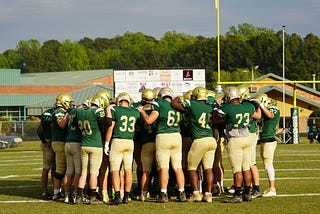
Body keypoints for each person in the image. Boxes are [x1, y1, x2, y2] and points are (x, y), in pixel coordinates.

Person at [137, 87, 187, 203]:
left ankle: (163, 193)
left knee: (164, 167)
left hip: (164, 136)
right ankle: (182, 192)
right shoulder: (177, 106)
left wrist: (142, 111)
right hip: (177, 136)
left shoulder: (159, 104)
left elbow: (149, 120)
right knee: (178, 167)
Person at [213, 86, 261, 203]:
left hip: (235, 139)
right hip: (247, 137)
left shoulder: (227, 107)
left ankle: (238, 194)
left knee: (237, 169)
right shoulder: (248, 106)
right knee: (246, 167)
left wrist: (216, 109)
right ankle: (247, 193)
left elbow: (215, 119)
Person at [172, 87, 217, 203]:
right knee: (208, 168)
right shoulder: (209, 107)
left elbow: (175, 104)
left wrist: (177, 98)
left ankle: (196, 193)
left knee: (192, 168)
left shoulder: (192, 103)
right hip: (211, 139)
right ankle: (208, 194)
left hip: (199, 139)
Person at [105, 92, 140, 205]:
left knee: (115, 170)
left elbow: (110, 127)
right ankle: (126, 196)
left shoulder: (116, 109)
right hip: (130, 142)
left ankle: (117, 196)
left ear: (119, 101)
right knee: (128, 170)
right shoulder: (134, 112)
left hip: (118, 141)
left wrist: (106, 143)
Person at [75, 96, 108, 205]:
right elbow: (105, 124)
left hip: (84, 144)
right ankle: (93, 196)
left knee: (84, 172)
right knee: (94, 173)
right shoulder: (97, 111)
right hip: (95, 145)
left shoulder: (80, 111)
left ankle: (78, 196)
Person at [238, 86, 263, 198]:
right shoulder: (246, 104)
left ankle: (256, 188)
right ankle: (246, 186)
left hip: (250, 134)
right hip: (245, 134)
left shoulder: (249, 104)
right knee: (245, 163)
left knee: (251, 163)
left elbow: (257, 116)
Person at [135, 89, 157, 201]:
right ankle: (159, 189)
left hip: (144, 142)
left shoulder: (138, 108)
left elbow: (137, 127)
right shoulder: (158, 108)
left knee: (144, 169)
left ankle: (143, 191)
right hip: (157, 141)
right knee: (160, 168)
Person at [256, 93, 280, 197]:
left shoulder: (273, 108)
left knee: (268, 164)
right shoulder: (264, 109)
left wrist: (261, 105)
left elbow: (271, 115)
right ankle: (270, 188)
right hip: (264, 139)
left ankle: (272, 188)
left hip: (269, 139)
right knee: (266, 164)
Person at [51, 93, 74, 201]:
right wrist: (67, 115)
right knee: (61, 168)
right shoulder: (59, 112)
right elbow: (61, 124)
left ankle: (60, 192)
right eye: (69, 102)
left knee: (62, 168)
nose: (70, 105)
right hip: (59, 142)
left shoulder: (60, 111)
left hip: (60, 141)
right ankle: (57, 193)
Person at [63, 100, 85, 203]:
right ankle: (76, 194)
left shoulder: (71, 112)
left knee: (68, 171)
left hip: (67, 143)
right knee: (78, 171)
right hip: (76, 143)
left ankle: (67, 195)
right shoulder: (80, 112)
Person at [37, 105, 56, 200]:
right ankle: (44, 191)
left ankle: (56, 190)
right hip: (48, 142)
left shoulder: (54, 112)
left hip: (55, 142)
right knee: (47, 167)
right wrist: (45, 142)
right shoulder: (48, 114)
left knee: (55, 168)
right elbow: (39, 131)